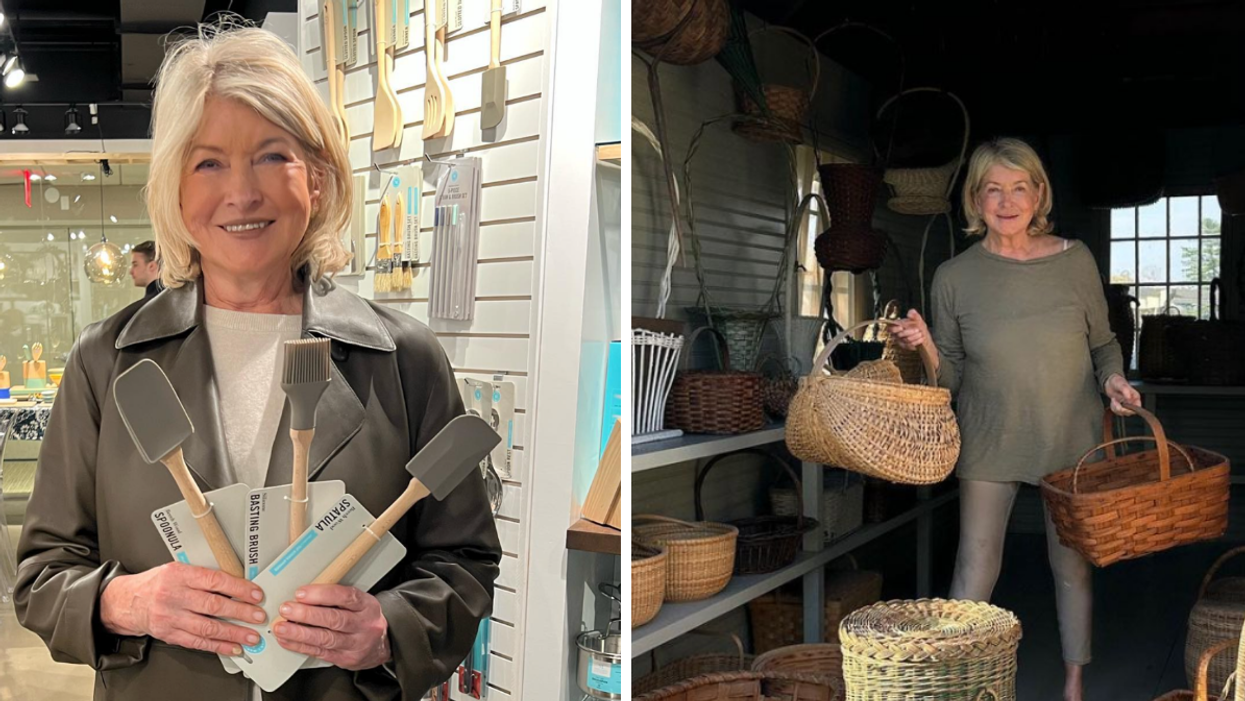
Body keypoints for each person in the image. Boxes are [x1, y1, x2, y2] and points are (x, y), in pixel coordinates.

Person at [15, 20, 500, 701]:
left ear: (319, 178)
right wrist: (127, 601)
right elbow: (42, 576)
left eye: (272, 156)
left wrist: (388, 626)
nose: (241, 192)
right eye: (208, 162)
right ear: (176, 190)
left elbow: (465, 561)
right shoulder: (108, 362)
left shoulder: (402, 360)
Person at [889, 137, 1142, 701]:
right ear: (976, 201)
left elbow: (1102, 344)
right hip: (988, 437)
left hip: (1071, 440)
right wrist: (927, 344)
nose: (1007, 201)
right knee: (974, 568)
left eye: (1019, 187)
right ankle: (953, 680)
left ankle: (1074, 682)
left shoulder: (1075, 260)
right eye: (992, 190)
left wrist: (1114, 381)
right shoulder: (954, 276)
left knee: (1072, 568)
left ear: (1038, 194)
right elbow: (947, 380)